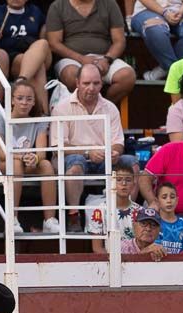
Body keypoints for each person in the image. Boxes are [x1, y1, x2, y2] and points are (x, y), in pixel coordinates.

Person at [55, 63, 124, 229]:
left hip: (103, 157)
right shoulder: (62, 108)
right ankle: (73, 216)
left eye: (96, 83)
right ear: (77, 82)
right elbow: (59, 147)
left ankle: (123, 214)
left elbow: (118, 142)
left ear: (101, 84)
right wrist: (87, 153)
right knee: (76, 162)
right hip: (74, 158)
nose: (91, 88)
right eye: (86, 83)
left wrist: (114, 152)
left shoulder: (110, 107)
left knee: (131, 164)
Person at [0, 78, 60, 234]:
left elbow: (41, 152)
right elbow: (1, 154)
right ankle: (12, 218)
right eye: (19, 98)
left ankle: (49, 220)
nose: (24, 103)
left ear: (34, 102)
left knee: (46, 165)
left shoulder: (39, 120)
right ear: (12, 100)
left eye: (29, 99)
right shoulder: (0, 117)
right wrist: (22, 157)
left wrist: (35, 158)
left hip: (23, 163)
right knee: (15, 164)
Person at [46, 0, 135, 103]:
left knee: (127, 76)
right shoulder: (58, 5)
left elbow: (119, 41)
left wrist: (107, 59)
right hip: (71, 59)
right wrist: (81, 59)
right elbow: (54, 43)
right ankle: (85, 113)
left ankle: (102, 109)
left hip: (103, 57)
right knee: (72, 76)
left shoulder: (109, 3)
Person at [0, 0, 53, 113]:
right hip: (13, 58)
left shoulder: (35, 11)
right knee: (38, 68)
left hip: (35, 51)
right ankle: (43, 115)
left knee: (42, 43)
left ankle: (20, 82)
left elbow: (45, 27)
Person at [128, 0, 183, 81]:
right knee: (155, 30)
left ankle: (164, 70)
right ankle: (178, 74)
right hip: (146, 9)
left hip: (181, 9)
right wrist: (164, 12)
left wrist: (181, 12)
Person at [88, 158, 140, 254]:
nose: (124, 184)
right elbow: (97, 248)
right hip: (109, 263)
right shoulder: (100, 210)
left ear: (134, 184)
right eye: (119, 180)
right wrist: (114, 262)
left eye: (128, 180)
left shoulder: (140, 211)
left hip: (135, 262)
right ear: (112, 183)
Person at [153, 181, 183, 253]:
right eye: (164, 197)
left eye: (172, 197)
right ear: (157, 201)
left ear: (177, 200)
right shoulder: (154, 223)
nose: (169, 201)